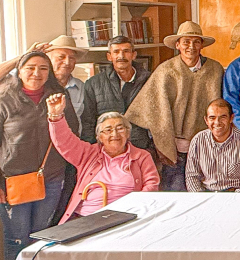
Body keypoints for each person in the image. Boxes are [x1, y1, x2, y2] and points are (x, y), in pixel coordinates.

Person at [0, 52, 79, 260]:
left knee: (43, 236)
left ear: (49, 72)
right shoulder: (2, 101)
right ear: (19, 71)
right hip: (14, 183)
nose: (36, 73)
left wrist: (56, 115)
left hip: (51, 179)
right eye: (30, 67)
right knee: (17, 239)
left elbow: (72, 135)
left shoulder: (59, 97)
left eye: (43, 68)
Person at [125, 21, 224, 192]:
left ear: (201, 45)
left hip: (208, 149)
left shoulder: (215, 70)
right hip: (175, 150)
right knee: (176, 193)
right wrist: (162, 145)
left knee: (208, 193)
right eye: (186, 41)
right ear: (177, 45)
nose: (191, 46)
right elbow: (154, 110)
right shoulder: (165, 71)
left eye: (196, 41)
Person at [46, 93, 159, 221]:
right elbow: (64, 141)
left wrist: (133, 208)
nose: (115, 134)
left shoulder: (141, 156)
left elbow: (151, 184)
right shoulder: (88, 154)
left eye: (120, 128)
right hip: (87, 217)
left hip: (126, 216)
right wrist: (56, 117)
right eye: (108, 130)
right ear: (99, 137)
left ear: (128, 133)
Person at [0, 35, 88, 123]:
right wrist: (24, 57)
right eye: (61, 57)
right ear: (48, 58)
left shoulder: (81, 87)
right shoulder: (24, 82)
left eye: (72, 58)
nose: (67, 62)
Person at [81, 35, 151, 149]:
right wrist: (91, 151)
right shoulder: (94, 84)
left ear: (134, 55)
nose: (121, 56)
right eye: (116, 52)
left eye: (126, 51)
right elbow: (88, 122)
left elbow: (158, 118)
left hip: (141, 148)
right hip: (106, 150)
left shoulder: (149, 80)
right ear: (109, 56)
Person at [186, 99, 240, 192]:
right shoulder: (198, 140)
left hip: (238, 196)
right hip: (207, 196)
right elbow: (191, 176)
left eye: (223, 117)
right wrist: (201, 198)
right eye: (212, 118)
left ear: (231, 118)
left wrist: (236, 198)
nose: (217, 122)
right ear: (206, 120)